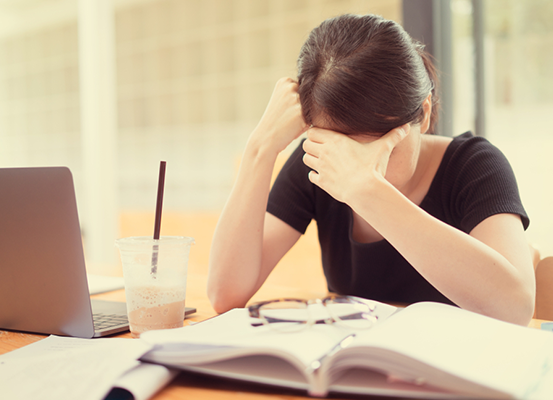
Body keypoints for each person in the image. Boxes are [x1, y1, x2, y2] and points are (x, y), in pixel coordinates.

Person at [207, 14, 535, 325]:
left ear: (423, 113)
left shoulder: (475, 166)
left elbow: (514, 308)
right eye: (343, 149)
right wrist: (260, 148)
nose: (358, 165)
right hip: (355, 371)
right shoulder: (320, 162)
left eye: (380, 146)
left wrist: (366, 190)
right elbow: (226, 293)